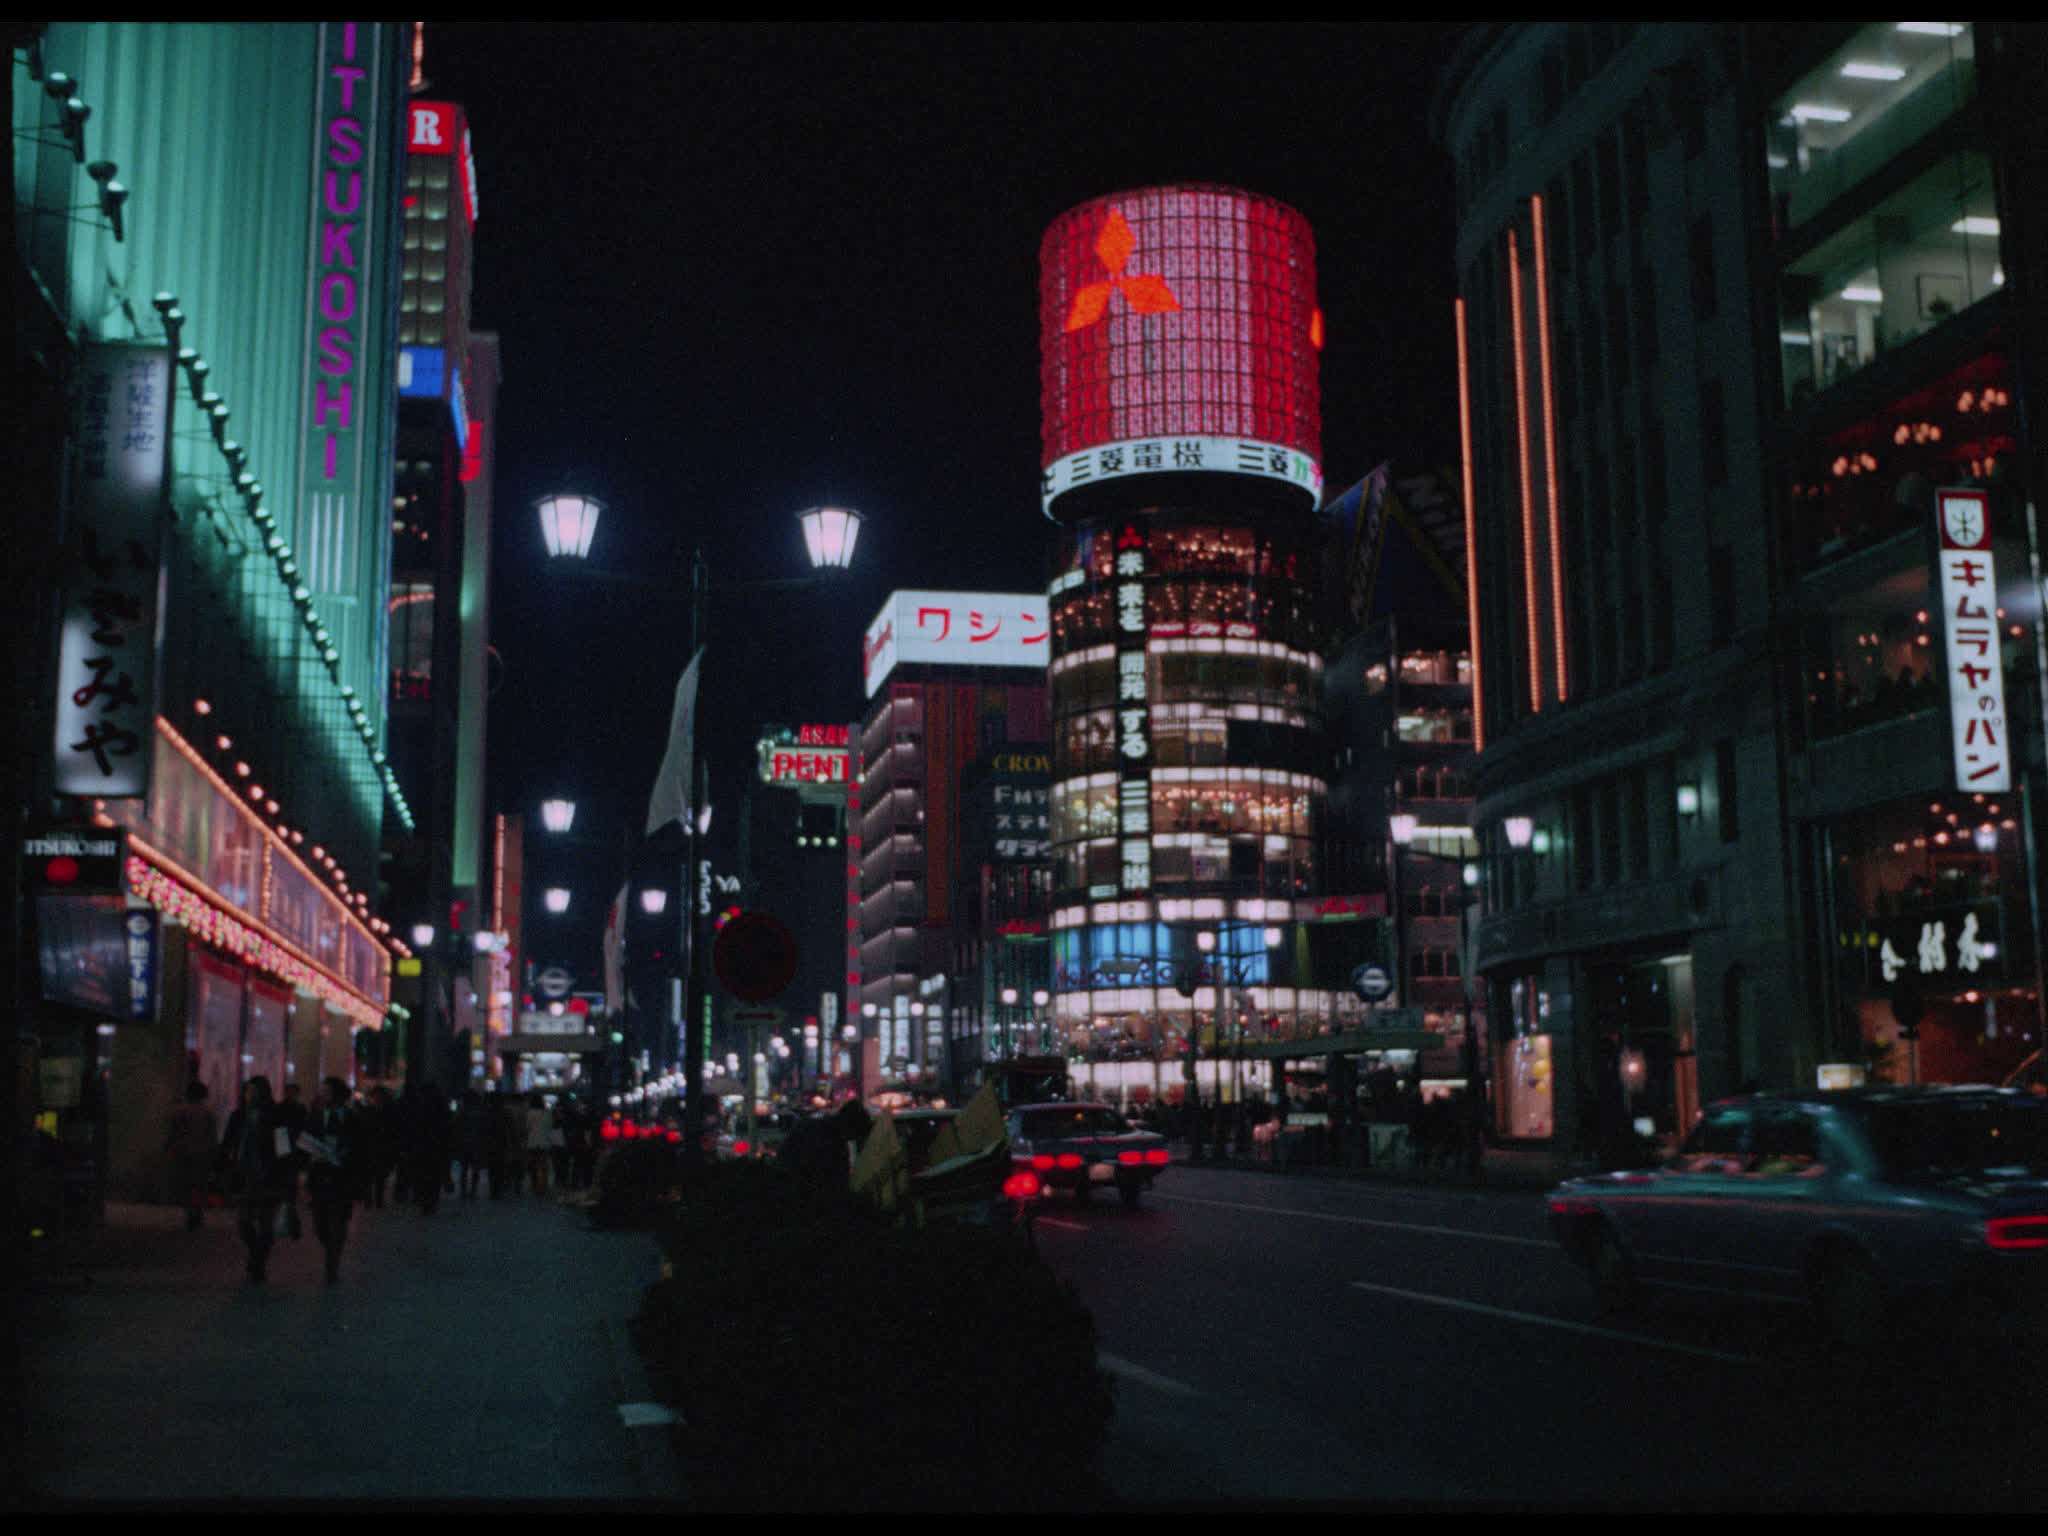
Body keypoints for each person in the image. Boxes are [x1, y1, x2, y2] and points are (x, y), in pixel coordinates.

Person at [217, 1076, 290, 1285]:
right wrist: (221, 1166)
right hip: (244, 1174)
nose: (250, 1096)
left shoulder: (275, 1116)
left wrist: (285, 1173)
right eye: (248, 1091)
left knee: (266, 1224)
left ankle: (258, 1262)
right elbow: (227, 1143)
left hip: (269, 1175)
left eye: (254, 1091)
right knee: (244, 1222)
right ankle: (256, 1255)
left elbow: (283, 1146)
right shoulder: (238, 1116)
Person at [302, 1077, 361, 1282]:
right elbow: (304, 1141)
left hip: (342, 1178)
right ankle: (330, 1247)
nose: (322, 1095)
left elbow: (362, 1146)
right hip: (319, 1175)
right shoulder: (315, 1117)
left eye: (326, 1091)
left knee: (339, 1218)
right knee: (320, 1223)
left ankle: (333, 1261)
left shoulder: (351, 1118)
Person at [164, 1080, 218, 1230]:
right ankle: (197, 1211)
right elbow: (212, 1136)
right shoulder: (208, 1113)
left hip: (184, 1152)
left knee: (185, 1184)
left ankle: (190, 1211)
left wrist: (169, 1147)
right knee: (200, 1184)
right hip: (203, 1152)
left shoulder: (180, 1111)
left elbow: (173, 1133)